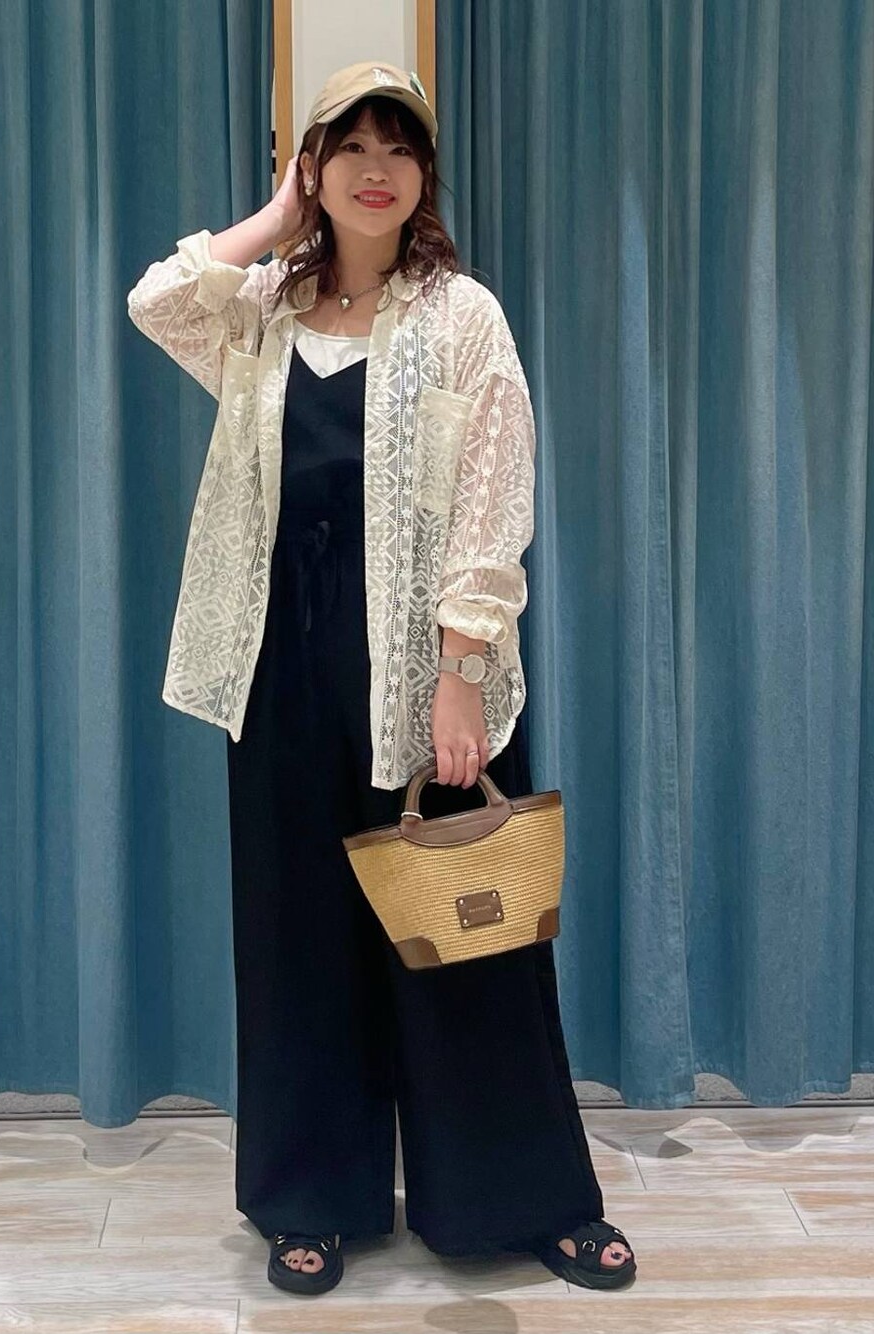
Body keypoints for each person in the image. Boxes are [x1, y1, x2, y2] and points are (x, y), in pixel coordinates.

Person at [127, 58, 636, 1299]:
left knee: (468, 940)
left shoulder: (462, 316)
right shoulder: (263, 311)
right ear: (314, 167)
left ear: (424, 174)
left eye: (398, 146)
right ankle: (309, 1198)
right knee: (295, 942)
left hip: (425, 675)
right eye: (348, 145)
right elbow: (157, 301)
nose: (375, 167)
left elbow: (495, 499)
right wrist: (274, 216)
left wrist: (460, 671)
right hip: (279, 672)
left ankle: (527, 1199)